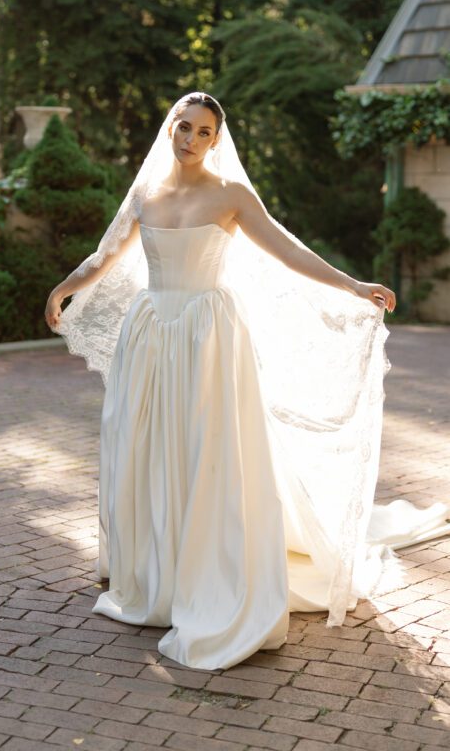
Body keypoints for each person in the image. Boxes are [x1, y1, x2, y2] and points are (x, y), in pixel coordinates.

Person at [45, 92, 450, 670]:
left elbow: (286, 249)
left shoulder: (230, 195)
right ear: (170, 128)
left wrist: (353, 286)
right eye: (183, 126)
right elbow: (103, 258)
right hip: (152, 337)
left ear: (215, 139)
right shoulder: (145, 195)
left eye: (203, 131)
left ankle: (210, 571)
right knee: (146, 448)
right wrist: (62, 288)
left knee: (206, 451)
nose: (190, 139)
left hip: (207, 338)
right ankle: (155, 574)